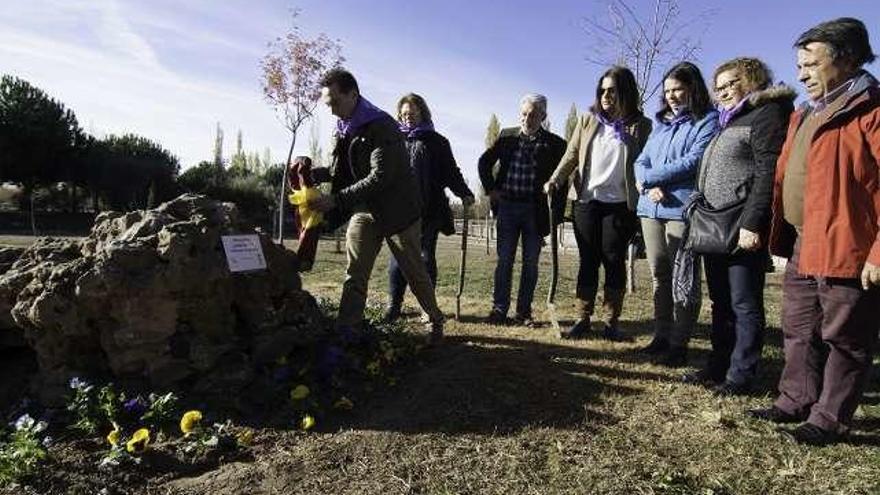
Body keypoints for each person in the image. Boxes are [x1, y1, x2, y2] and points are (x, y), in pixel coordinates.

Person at [749, 18, 880, 445]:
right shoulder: (806, 111)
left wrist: (878, 254)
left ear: (845, 59)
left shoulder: (871, 110)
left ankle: (829, 418)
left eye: (810, 63)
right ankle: (795, 399)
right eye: (799, 64)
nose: (801, 73)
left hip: (850, 245)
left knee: (845, 337)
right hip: (805, 239)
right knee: (798, 326)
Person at [682, 58, 795, 395]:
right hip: (715, 225)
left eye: (730, 84)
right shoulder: (727, 120)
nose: (723, 92)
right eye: (718, 88)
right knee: (721, 302)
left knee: (744, 304)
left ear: (752, 80)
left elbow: (767, 175)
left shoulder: (767, 114)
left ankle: (741, 375)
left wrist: (752, 223)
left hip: (741, 226)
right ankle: (718, 366)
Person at [307, 69, 445, 344]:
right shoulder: (344, 127)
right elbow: (342, 170)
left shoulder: (382, 126)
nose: (332, 111)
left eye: (335, 102)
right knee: (355, 271)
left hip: (399, 212)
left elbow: (380, 176)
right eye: (328, 105)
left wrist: (336, 199)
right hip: (364, 210)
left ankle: (434, 320)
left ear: (352, 94)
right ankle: (348, 328)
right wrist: (313, 174)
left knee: (414, 271)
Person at [544, 66, 652, 341]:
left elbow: (646, 161)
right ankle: (582, 318)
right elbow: (571, 154)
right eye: (602, 90)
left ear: (625, 92)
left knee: (614, 259)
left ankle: (610, 322)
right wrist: (555, 179)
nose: (606, 95)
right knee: (588, 260)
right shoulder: (588, 120)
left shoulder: (641, 125)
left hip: (620, 204)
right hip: (587, 201)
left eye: (612, 90)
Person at [634, 62, 720, 366]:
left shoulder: (708, 120)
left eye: (678, 90)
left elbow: (693, 161)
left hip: (680, 209)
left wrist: (653, 178)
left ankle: (679, 343)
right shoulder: (660, 125)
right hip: (650, 208)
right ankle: (661, 335)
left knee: (683, 277)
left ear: (692, 88)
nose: (671, 96)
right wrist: (646, 185)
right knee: (659, 274)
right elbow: (640, 161)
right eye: (667, 91)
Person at [383, 93, 475, 323]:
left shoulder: (437, 142)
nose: (407, 118)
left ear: (422, 113)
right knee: (398, 259)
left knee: (425, 259)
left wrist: (464, 192)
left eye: (412, 113)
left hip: (429, 211)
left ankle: (427, 308)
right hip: (398, 211)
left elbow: (451, 173)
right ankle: (394, 305)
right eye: (404, 114)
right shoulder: (392, 139)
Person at [478, 94, 566, 326]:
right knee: (504, 260)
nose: (527, 118)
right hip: (507, 207)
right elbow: (484, 162)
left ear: (543, 117)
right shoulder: (507, 136)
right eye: (524, 114)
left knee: (530, 263)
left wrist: (555, 213)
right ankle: (499, 309)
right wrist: (490, 189)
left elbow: (564, 179)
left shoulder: (556, 144)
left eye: (533, 114)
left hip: (534, 212)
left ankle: (523, 312)